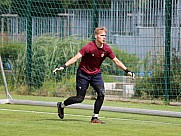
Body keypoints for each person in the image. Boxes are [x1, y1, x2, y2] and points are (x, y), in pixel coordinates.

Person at [53, 27, 135, 124]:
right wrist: (63, 66)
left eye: (105, 35)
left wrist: (127, 71)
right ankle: (61, 105)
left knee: (101, 94)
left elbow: (116, 61)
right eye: (101, 35)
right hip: (83, 73)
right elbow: (75, 58)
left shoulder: (106, 49)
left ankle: (95, 118)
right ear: (96, 36)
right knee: (79, 98)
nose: (104, 37)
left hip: (96, 74)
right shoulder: (89, 47)